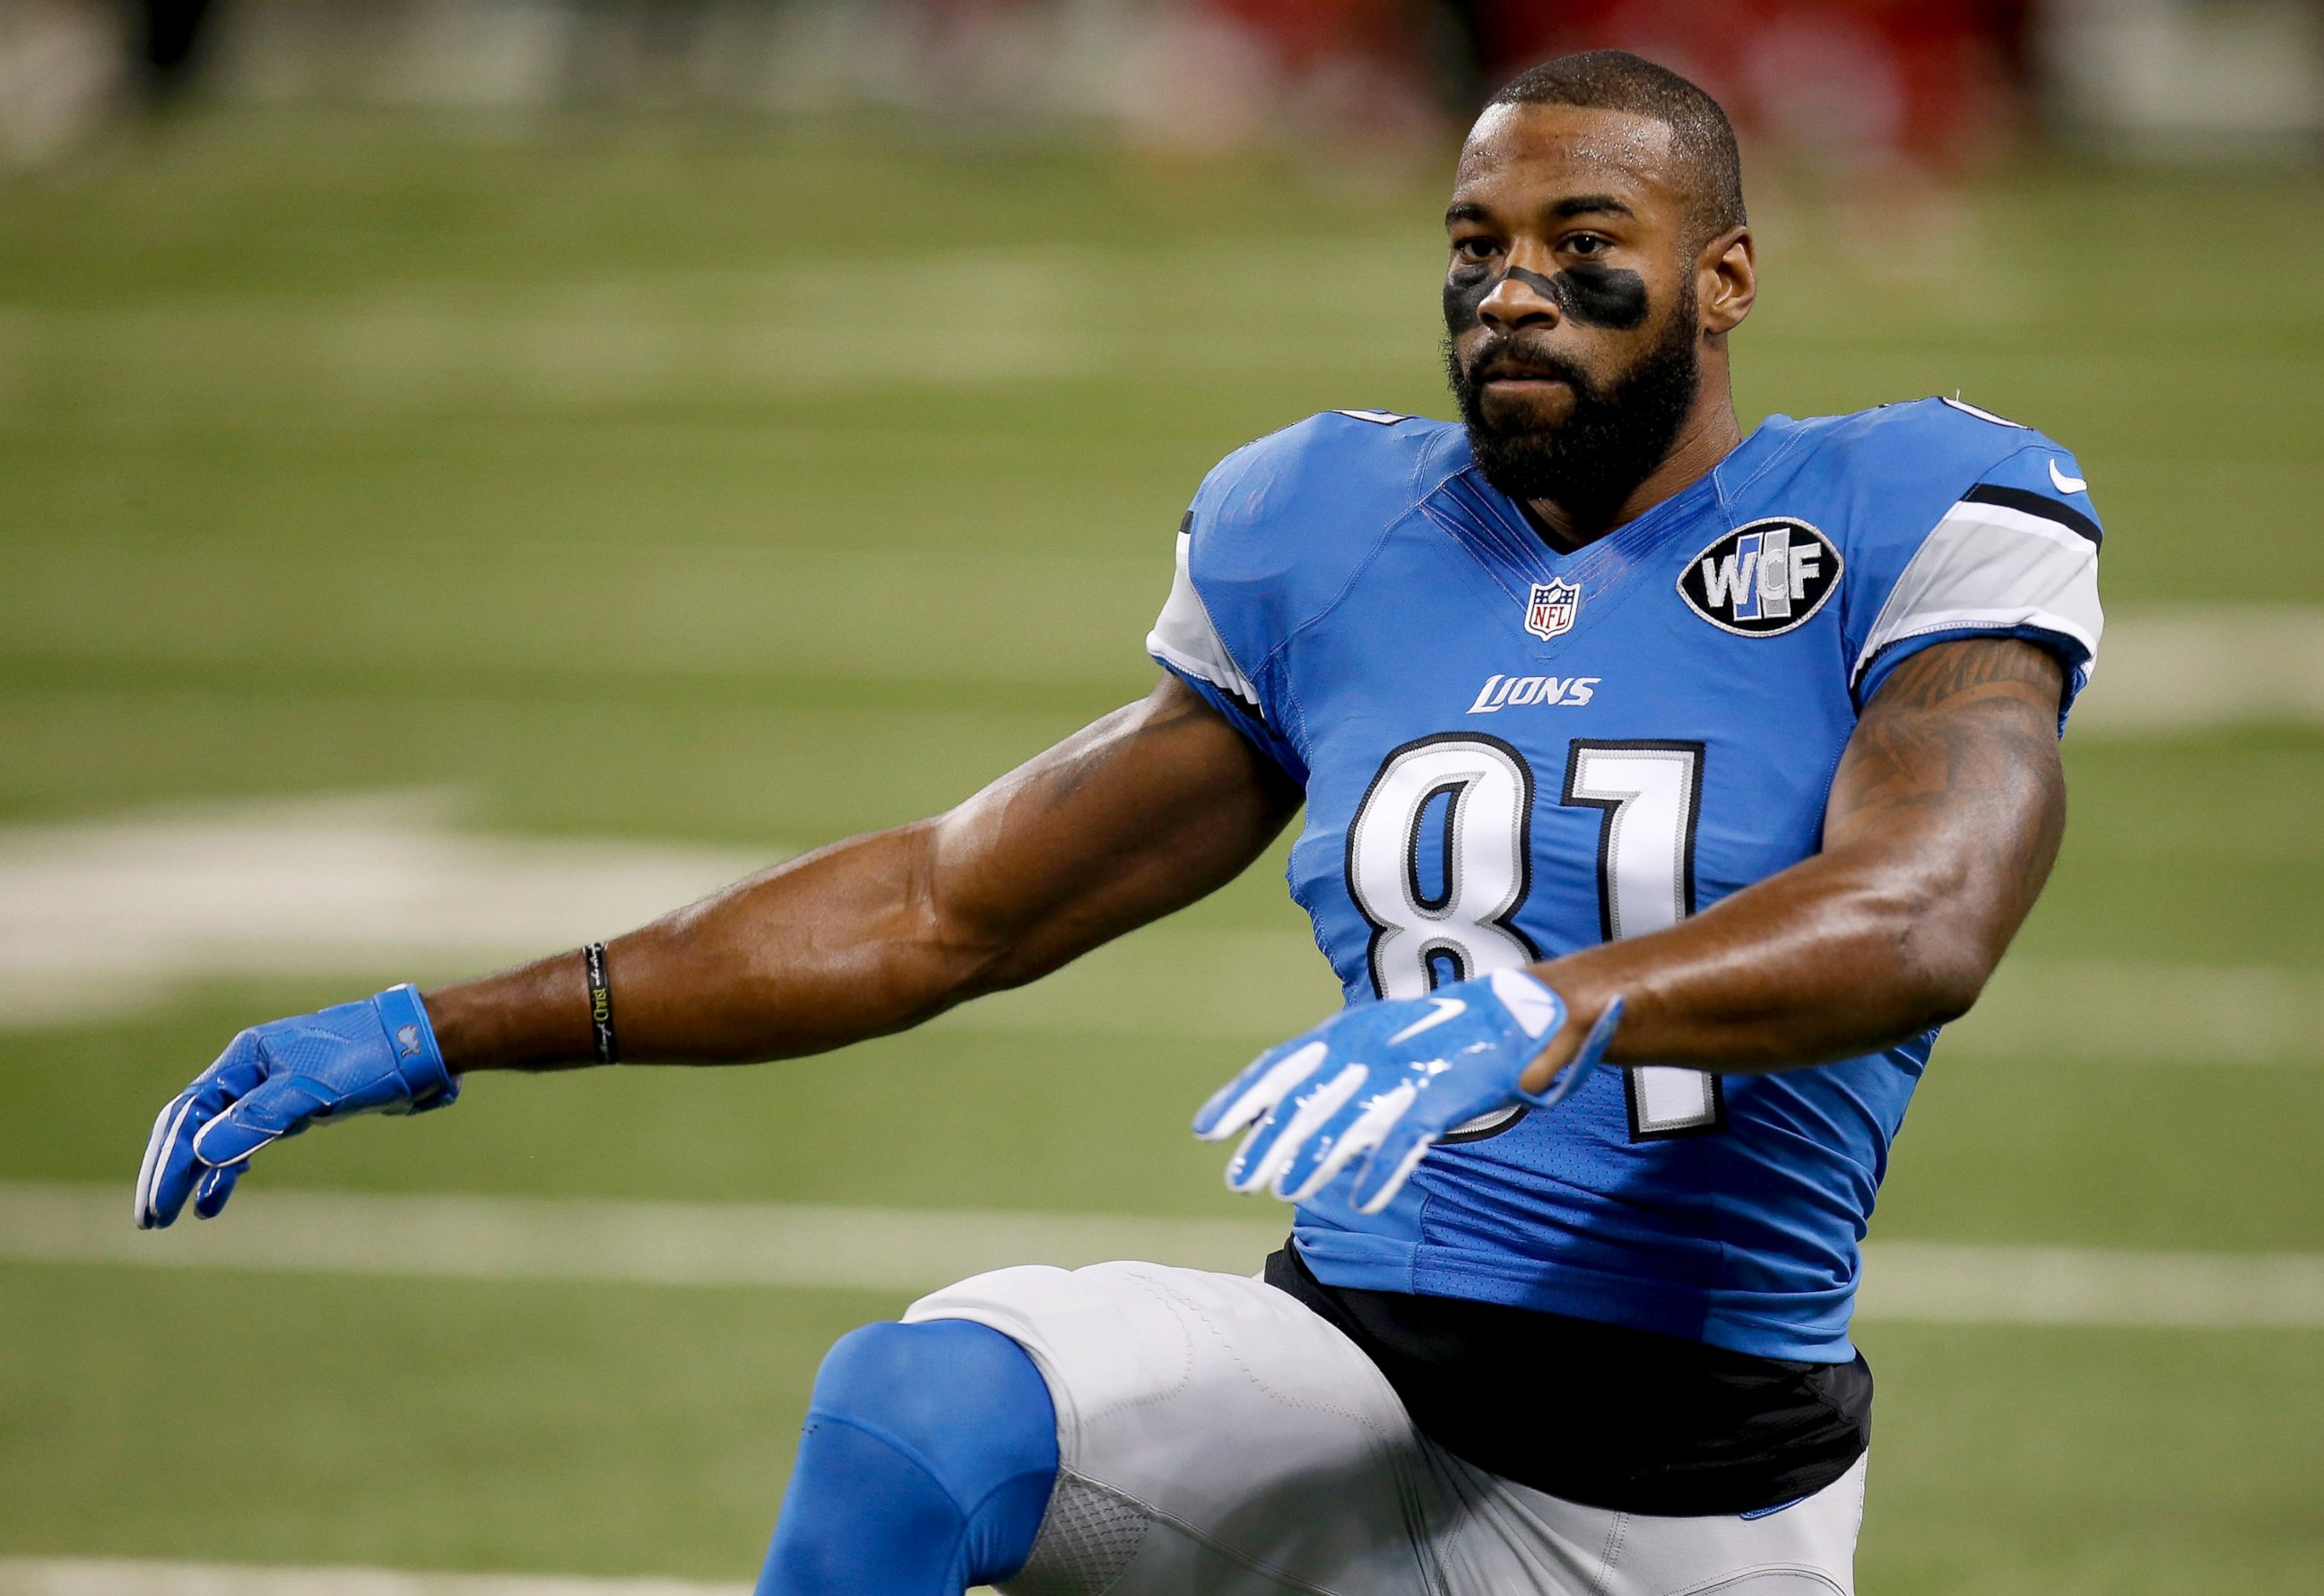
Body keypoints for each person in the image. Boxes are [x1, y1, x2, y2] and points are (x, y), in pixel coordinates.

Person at [132, 48, 2103, 1596]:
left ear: (1725, 274)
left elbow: (1925, 909)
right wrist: (447, 1025)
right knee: (918, 1399)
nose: (1513, 287)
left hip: (1691, 1489)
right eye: (1472, 242)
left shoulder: (1903, 510)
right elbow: (941, 903)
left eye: (1584, 239)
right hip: (1347, 1384)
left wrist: (1545, 1006)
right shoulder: (1333, 533)